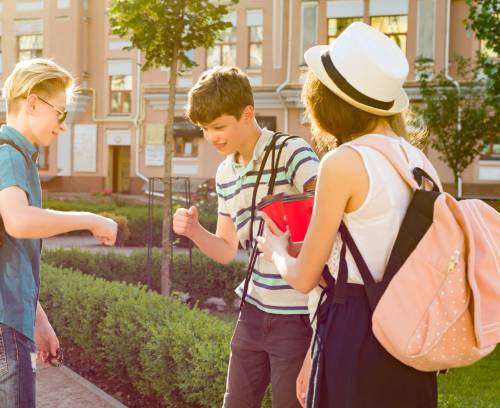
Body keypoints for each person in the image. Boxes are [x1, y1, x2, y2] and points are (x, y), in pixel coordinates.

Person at [256, 22, 438, 407]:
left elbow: (306, 277)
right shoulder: (420, 163)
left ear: (328, 100)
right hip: (408, 327)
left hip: (356, 327)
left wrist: (276, 249)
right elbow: (382, 243)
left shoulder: (344, 162)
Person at [0, 58, 118, 407]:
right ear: (32, 103)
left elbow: (9, 256)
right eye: (59, 113)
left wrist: (39, 321)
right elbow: (19, 222)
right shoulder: (8, 157)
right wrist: (90, 218)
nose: (61, 126)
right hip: (1, 328)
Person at [173, 66, 319, 407]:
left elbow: (328, 214)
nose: (212, 137)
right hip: (252, 312)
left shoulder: (291, 153)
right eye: (205, 129)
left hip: (296, 316)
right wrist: (195, 231)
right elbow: (226, 250)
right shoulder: (225, 173)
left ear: (247, 114)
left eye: (219, 127)